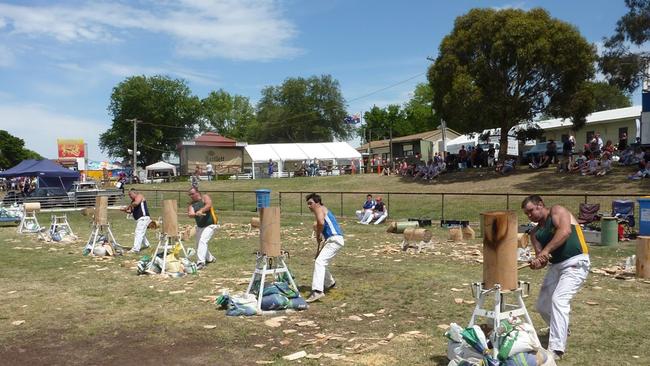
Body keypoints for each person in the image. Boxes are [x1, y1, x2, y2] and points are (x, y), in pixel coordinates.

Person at [521, 195, 590, 360]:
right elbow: (542, 260)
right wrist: (537, 262)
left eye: (531, 211)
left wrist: (546, 251)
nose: (529, 216)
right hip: (555, 266)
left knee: (559, 300)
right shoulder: (535, 233)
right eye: (526, 214)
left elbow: (565, 232)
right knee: (542, 305)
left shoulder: (557, 211)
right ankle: (562, 329)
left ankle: (556, 349)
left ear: (540, 204)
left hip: (575, 262)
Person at [305, 193, 344, 302]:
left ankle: (317, 291)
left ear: (317, 202)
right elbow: (322, 225)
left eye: (310, 203)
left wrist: (318, 234)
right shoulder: (322, 209)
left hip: (334, 239)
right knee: (320, 260)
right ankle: (331, 283)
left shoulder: (319, 208)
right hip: (332, 239)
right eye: (307, 204)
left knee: (319, 262)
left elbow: (321, 223)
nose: (309, 206)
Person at [187, 187, 218, 269]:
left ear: (197, 192)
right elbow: (190, 213)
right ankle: (210, 259)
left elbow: (208, 205)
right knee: (199, 244)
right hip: (200, 227)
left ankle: (201, 263)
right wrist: (195, 214)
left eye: (192, 194)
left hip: (210, 225)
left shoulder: (205, 197)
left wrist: (201, 211)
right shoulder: (191, 204)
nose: (191, 196)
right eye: (190, 194)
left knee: (202, 241)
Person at [122, 189, 151, 254]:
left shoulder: (139, 196)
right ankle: (147, 245)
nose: (129, 196)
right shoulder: (132, 201)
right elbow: (131, 211)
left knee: (138, 232)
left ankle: (135, 249)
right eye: (129, 195)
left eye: (130, 194)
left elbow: (136, 203)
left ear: (134, 193)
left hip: (143, 217)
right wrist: (125, 210)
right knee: (141, 232)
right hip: (139, 219)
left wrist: (128, 206)